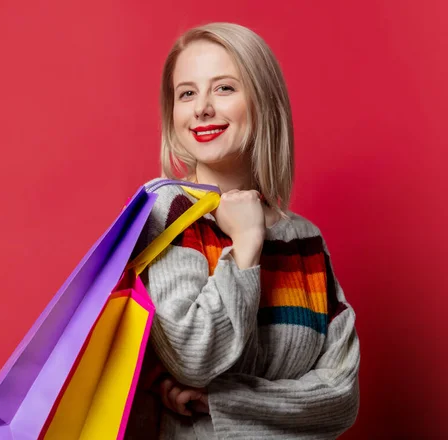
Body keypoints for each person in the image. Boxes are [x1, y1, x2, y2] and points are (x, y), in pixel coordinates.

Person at [124, 22, 360, 439]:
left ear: (263, 101)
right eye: (187, 93)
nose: (201, 109)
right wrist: (246, 245)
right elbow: (194, 356)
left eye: (224, 88)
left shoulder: (306, 241)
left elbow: (340, 397)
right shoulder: (169, 213)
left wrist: (223, 401)